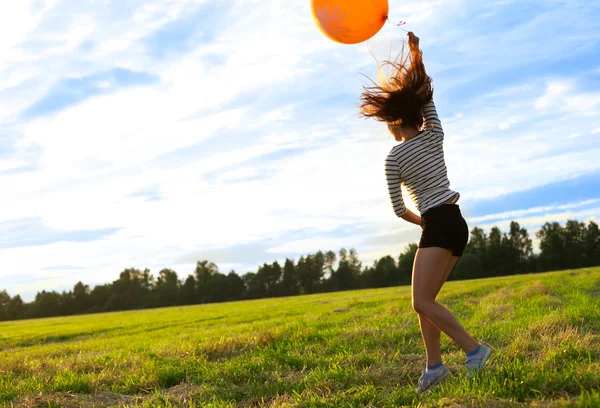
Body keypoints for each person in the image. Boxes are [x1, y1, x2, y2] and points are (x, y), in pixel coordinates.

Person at [359, 32, 492, 394]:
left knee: (421, 301)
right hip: (457, 222)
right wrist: (416, 56)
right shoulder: (436, 134)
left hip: (435, 222)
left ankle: (474, 351)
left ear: (392, 121)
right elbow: (428, 96)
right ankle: (434, 367)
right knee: (427, 303)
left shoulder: (393, 158)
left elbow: (400, 209)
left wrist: (424, 224)